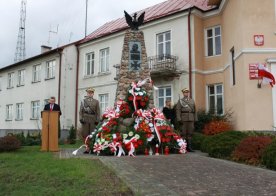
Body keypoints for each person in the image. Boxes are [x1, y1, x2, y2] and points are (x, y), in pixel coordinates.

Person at [79, 87, 100, 153]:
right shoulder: (83, 101)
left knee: (92, 134)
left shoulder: (96, 101)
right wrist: (81, 119)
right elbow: (81, 111)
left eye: (91, 93)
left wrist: (97, 120)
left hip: (93, 119)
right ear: (87, 93)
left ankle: (92, 148)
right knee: (85, 134)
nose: (90, 94)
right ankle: (87, 148)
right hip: (85, 119)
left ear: (93, 94)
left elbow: (98, 112)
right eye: (89, 93)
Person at [175, 88, 197, 152]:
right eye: (185, 92)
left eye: (187, 92)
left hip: (191, 118)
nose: (186, 93)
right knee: (183, 133)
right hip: (183, 118)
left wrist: (195, 118)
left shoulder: (192, 101)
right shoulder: (180, 101)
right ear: (183, 93)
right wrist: (179, 119)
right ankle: (183, 147)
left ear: (188, 93)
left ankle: (189, 147)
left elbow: (195, 110)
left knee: (190, 132)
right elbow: (178, 110)